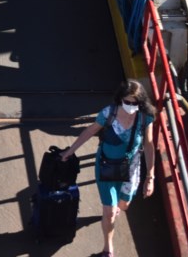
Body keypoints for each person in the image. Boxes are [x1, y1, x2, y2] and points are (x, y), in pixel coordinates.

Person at [60, 80, 155, 257]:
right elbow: (89, 131)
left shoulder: (145, 118)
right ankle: (108, 248)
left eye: (135, 103)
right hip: (105, 166)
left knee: (124, 205)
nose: (131, 106)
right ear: (120, 99)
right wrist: (70, 151)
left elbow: (148, 145)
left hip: (130, 169)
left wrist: (150, 176)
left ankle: (116, 207)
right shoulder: (108, 113)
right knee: (109, 212)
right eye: (127, 102)